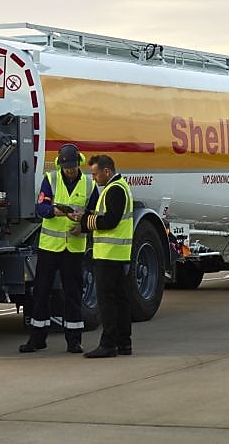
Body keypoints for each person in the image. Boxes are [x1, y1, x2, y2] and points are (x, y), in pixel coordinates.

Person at [19, 143, 91, 354]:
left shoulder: (88, 185)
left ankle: (74, 340)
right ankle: (37, 338)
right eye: (66, 166)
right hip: (50, 248)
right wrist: (55, 211)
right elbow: (41, 208)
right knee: (41, 292)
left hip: (74, 249)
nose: (69, 170)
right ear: (60, 164)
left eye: (72, 166)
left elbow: (95, 213)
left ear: (79, 163)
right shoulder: (51, 179)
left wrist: (83, 225)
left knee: (73, 294)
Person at [79, 153, 134, 358]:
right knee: (120, 300)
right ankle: (123, 343)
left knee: (107, 301)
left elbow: (110, 221)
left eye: (95, 174)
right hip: (117, 255)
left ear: (107, 171)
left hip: (109, 255)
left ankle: (108, 344)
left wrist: (85, 221)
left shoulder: (115, 190)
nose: (94, 178)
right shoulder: (118, 187)